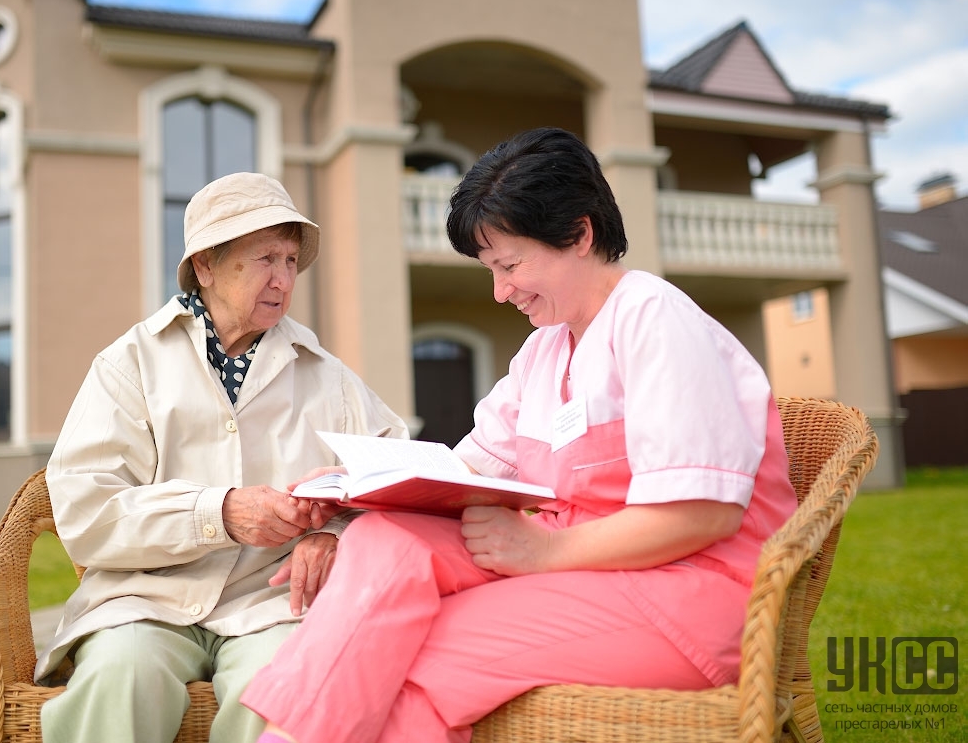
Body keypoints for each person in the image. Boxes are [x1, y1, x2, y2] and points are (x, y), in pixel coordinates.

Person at [239, 127, 799, 743]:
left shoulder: (654, 318)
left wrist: (545, 552)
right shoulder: (543, 350)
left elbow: (703, 515)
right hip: (578, 574)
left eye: (509, 265)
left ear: (581, 235)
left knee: (406, 657)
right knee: (384, 536)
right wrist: (360, 489)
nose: (501, 292)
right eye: (491, 270)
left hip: (687, 594)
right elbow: (467, 473)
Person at [34, 172, 408, 743]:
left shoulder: (327, 376)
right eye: (264, 259)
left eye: (290, 260)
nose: (282, 279)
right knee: (120, 676)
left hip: (273, 603)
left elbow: (398, 478)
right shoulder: (129, 363)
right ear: (206, 266)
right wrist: (221, 512)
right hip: (143, 599)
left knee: (287, 689)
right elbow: (87, 510)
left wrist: (336, 537)